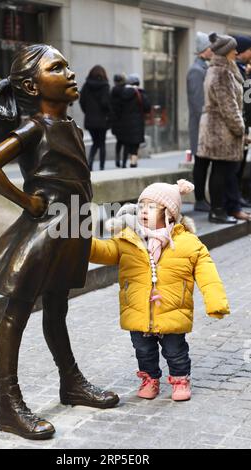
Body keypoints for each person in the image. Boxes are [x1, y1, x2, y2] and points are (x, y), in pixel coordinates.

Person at [0, 44, 119, 441]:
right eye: (58, 67)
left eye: (68, 65)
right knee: (17, 312)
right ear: (32, 87)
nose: (70, 72)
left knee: (57, 307)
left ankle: (71, 382)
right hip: (45, 228)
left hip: (73, 225)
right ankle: (9, 404)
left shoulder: (74, 128)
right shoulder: (34, 127)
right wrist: (27, 200)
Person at [90, 179, 229, 401]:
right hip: (138, 309)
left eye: (152, 206)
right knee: (143, 351)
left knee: (176, 351)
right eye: (142, 205)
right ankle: (150, 379)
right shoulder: (128, 239)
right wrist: (81, 243)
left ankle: (180, 379)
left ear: (169, 213)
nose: (144, 210)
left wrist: (216, 302)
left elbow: (208, 274)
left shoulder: (188, 243)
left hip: (173, 309)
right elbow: (103, 251)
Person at [198, 33, 251, 223]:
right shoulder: (221, 72)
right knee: (220, 171)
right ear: (226, 51)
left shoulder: (225, 69)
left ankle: (222, 210)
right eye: (233, 49)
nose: (236, 52)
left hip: (222, 129)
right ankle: (217, 211)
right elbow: (228, 106)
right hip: (220, 130)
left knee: (224, 171)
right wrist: (241, 129)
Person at [187, 32, 213, 212]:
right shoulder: (196, 70)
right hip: (200, 126)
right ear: (205, 49)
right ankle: (200, 199)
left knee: (204, 162)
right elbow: (198, 104)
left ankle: (203, 199)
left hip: (205, 125)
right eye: (211, 47)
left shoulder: (203, 68)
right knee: (201, 162)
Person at [114, 73, 151, 168]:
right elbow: (147, 108)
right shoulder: (140, 93)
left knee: (127, 142)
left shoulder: (122, 93)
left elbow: (117, 108)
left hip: (124, 122)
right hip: (138, 122)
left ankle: (124, 162)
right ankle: (133, 162)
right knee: (135, 143)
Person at [79, 65, 110, 171]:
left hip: (90, 120)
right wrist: (108, 112)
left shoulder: (86, 86)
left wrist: (87, 112)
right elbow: (105, 103)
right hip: (102, 120)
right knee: (101, 143)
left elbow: (81, 101)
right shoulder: (105, 86)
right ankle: (101, 166)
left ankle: (90, 162)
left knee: (95, 142)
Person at [233, 35, 251, 206]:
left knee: (241, 162)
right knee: (235, 166)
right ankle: (234, 199)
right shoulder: (235, 70)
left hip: (244, 122)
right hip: (238, 123)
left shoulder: (243, 69)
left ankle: (238, 196)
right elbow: (245, 98)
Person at [110, 73, 126, 168]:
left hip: (115, 120)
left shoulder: (112, 91)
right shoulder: (124, 91)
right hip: (124, 119)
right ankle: (123, 162)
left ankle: (117, 158)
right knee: (125, 142)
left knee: (119, 141)